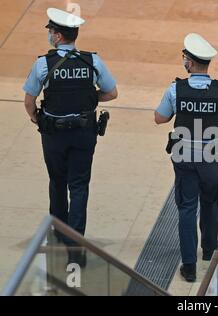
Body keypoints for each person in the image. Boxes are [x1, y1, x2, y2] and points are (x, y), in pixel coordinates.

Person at [23, 8, 118, 266]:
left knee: (57, 181)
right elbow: (111, 93)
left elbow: (29, 101)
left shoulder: (43, 63)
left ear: (57, 36)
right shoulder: (92, 61)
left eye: (51, 32)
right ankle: (76, 248)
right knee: (79, 186)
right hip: (83, 133)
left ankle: (58, 232)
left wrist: (36, 119)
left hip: (53, 133)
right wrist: (88, 98)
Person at [155, 33, 218, 282]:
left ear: (190, 64)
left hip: (184, 157)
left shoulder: (175, 90)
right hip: (212, 158)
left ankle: (189, 266)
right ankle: (209, 251)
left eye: (184, 58)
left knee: (186, 208)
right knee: (210, 203)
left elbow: (159, 118)